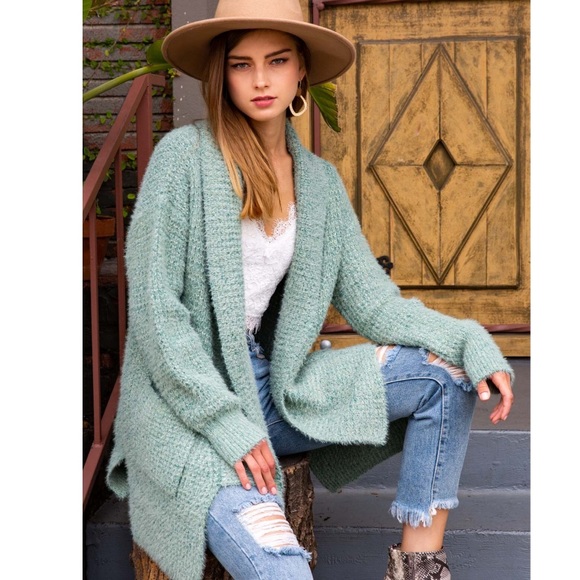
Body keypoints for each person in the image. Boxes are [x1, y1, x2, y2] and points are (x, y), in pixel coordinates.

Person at [105, 1, 514, 579]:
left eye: (277, 61)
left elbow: (374, 304)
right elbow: (155, 314)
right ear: (223, 73)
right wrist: (225, 424)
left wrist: (471, 340)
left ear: (302, 70)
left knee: (446, 375)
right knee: (281, 566)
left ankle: (419, 570)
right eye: (243, 64)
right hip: (186, 409)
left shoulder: (317, 182)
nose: (261, 80)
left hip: (270, 387)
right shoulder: (184, 160)